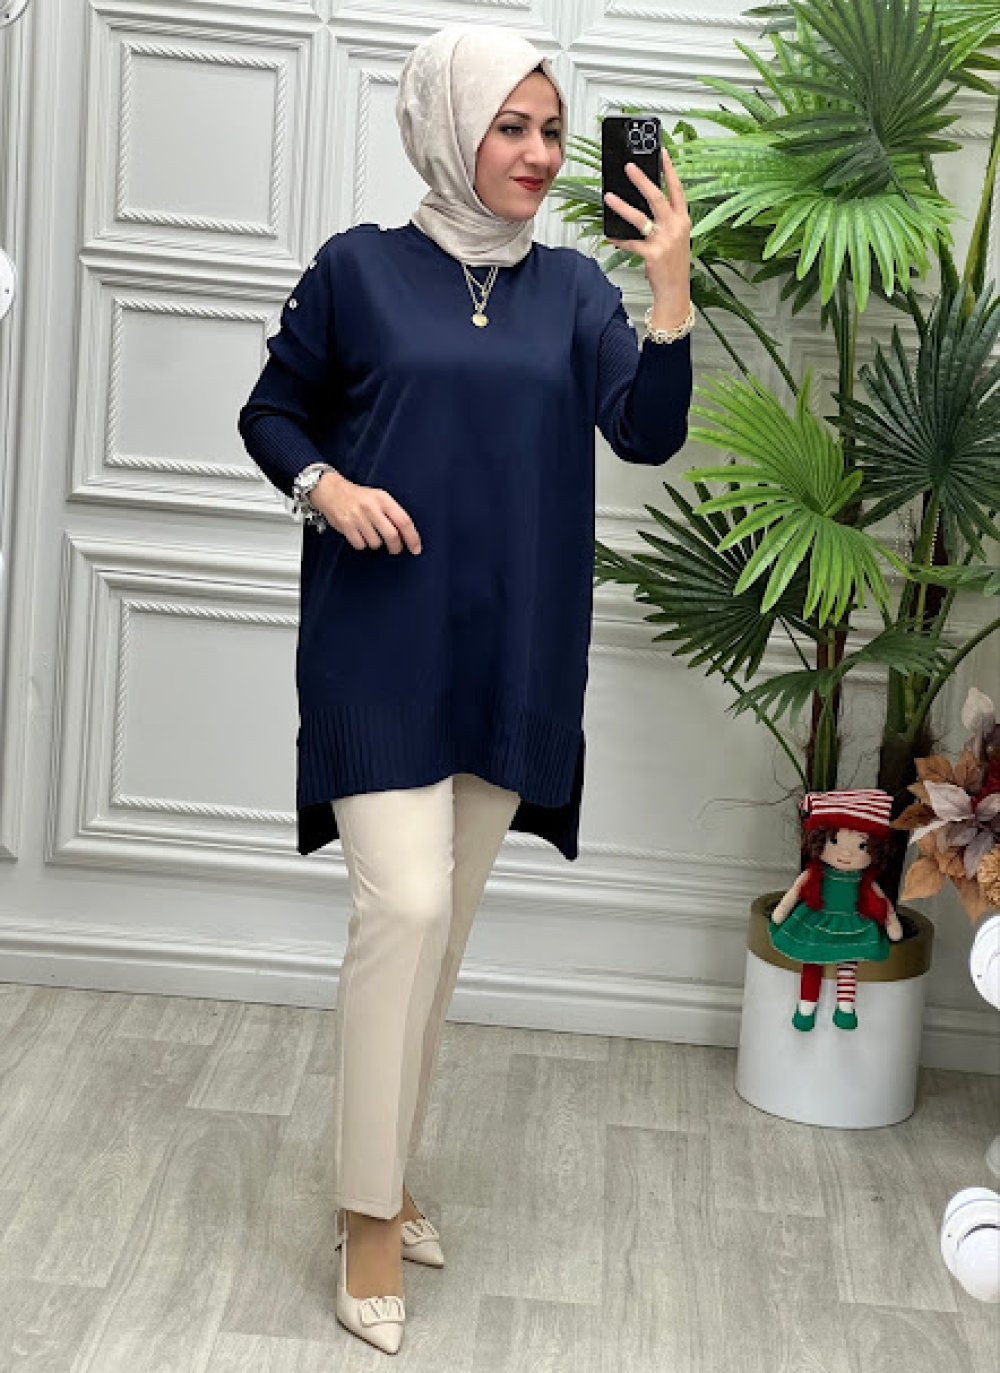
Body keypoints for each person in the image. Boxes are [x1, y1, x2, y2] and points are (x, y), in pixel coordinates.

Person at [237, 23, 693, 1356]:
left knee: (439, 941)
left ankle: (385, 1172)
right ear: (448, 127)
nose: (540, 155)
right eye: (511, 126)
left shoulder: (574, 294)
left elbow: (647, 432)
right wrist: (327, 486)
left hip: (514, 650)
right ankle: (367, 1217)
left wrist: (668, 290)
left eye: (553, 131)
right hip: (379, 642)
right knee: (407, 906)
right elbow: (272, 414)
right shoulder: (356, 271)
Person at [769, 789, 905, 1032]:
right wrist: (781, 912)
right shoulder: (815, 874)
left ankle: (845, 1007)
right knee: (811, 960)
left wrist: (892, 924)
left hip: (852, 921)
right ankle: (806, 1007)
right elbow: (795, 892)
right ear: (820, 839)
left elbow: (882, 902)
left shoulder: (865, 881)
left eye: (861, 846)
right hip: (817, 919)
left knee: (848, 964)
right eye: (834, 841)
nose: (846, 853)